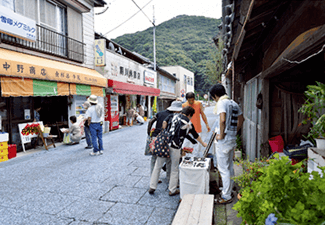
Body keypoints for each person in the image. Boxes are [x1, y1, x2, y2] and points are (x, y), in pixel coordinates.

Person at [149, 106, 207, 196]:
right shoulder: (188, 123)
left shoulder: (172, 115)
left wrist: (165, 131)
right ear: (189, 115)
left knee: (158, 165)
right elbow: (195, 135)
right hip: (176, 146)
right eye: (191, 116)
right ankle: (172, 190)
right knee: (174, 168)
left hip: (165, 144)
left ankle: (152, 186)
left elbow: (164, 122)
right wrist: (203, 143)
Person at [209, 84, 244, 204]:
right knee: (229, 165)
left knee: (223, 168)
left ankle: (226, 196)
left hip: (224, 140)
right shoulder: (233, 103)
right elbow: (241, 119)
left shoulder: (221, 103)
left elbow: (222, 119)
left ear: (215, 96)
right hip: (232, 139)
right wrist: (235, 131)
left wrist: (222, 134)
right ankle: (230, 187)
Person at [147, 100, 183, 184]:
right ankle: (169, 178)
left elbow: (150, 121)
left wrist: (149, 133)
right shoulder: (175, 116)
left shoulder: (160, 113)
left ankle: (154, 178)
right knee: (168, 158)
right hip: (168, 138)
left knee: (154, 158)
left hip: (156, 137)